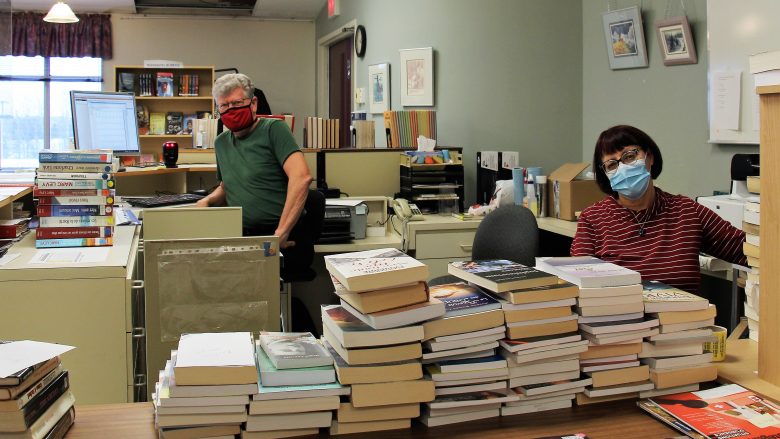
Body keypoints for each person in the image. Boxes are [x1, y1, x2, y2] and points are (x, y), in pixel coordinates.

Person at [570, 125, 746, 294]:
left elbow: (746, 250)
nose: (622, 168)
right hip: (618, 321)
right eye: (612, 165)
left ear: (650, 157)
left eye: (630, 156)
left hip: (681, 321)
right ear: (605, 175)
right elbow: (577, 284)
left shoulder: (687, 212)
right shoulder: (592, 219)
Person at [196, 73, 313, 266]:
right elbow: (228, 185)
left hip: (281, 234)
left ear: (254, 103)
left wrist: (281, 232)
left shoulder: (274, 129)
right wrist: (207, 200)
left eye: (236, 103)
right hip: (243, 236)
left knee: (261, 288)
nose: (230, 110)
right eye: (224, 106)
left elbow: (302, 178)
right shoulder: (221, 143)